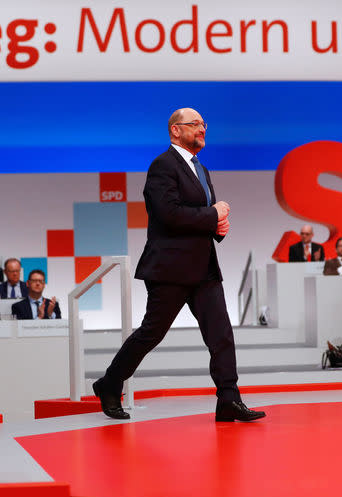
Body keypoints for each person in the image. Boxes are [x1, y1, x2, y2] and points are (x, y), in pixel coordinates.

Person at [93, 107, 265, 423]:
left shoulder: (202, 169)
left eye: (204, 124)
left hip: (204, 268)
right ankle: (109, 383)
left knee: (221, 335)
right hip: (170, 268)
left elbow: (197, 216)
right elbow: (168, 215)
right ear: (176, 130)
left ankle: (228, 399)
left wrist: (218, 227)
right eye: (195, 124)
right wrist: (213, 214)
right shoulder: (162, 166)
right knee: (151, 333)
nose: (202, 129)